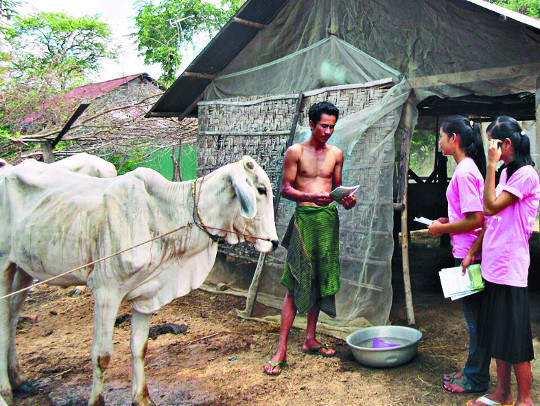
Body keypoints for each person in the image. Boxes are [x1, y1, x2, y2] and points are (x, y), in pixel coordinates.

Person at [263, 101, 356, 376]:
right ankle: (281, 350)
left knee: (319, 280)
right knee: (296, 282)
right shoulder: (296, 152)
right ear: (312, 124)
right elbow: (285, 190)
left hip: (328, 222)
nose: (328, 131)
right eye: (323, 126)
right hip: (305, 220)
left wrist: (347, 200)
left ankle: (310, 338)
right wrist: (309, 197)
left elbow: (337, 189)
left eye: (332, 126)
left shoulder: (336, 153)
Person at [466, 116, 539, 406]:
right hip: (495, 266)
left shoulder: (526, 175)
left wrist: (490, 166)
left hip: (510, 268)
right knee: (498, 332)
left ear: (505, 144)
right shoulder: (509, 172)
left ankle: (524, 399)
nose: (489, 149)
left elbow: (490, 206)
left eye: (492, 143)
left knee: (516, 338)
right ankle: (502, 393)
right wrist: (475, 249)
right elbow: (490, 220)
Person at [427, 116, 490, 394]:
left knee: (476, 321)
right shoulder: (469, 168)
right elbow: (470, 215)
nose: (439, 142)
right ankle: (472, 372)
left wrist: (443, 229)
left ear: (454, 139)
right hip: (468, 250)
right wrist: (449, 219)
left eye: (441, 136)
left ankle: (475, 379)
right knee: (476, 319)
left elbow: (477, 219)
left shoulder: (464, 172)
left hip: (469, 254)